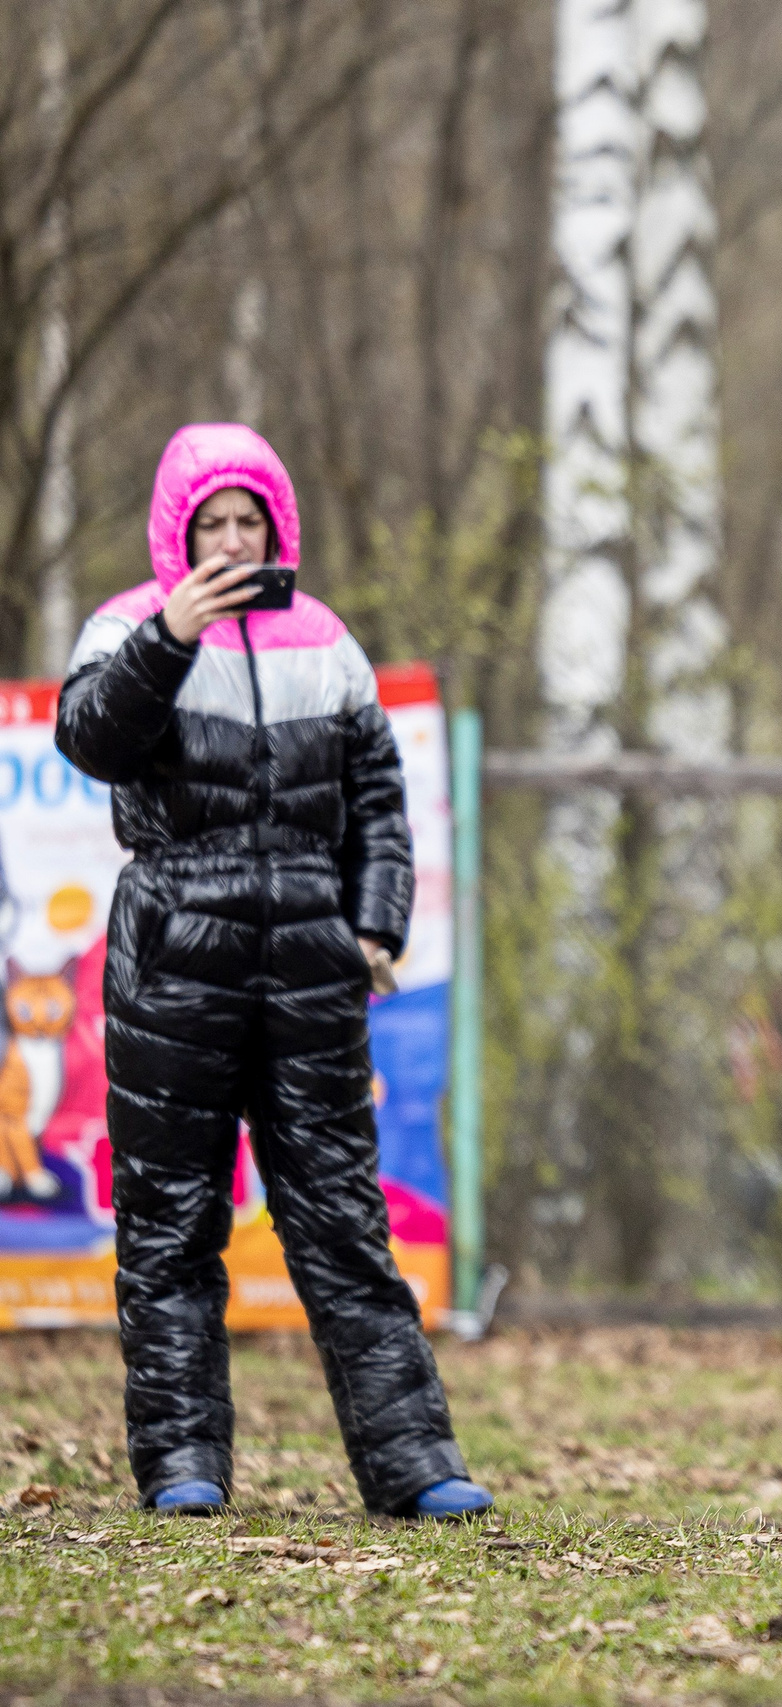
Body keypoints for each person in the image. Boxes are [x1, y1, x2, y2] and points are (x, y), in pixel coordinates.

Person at [55, 423, 492, 1520]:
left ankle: (415, 1466)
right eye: (214, 525)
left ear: (278, 525)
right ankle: (183, 1469)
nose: (235, 541)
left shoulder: (327, 642)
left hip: (309, 965)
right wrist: (169, 635)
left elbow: (380, 801)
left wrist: (377, 927)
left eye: (251, 521)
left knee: (342, 1220)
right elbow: (91, 742)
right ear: (179, 531)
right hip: (172, 962)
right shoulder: (125, 627)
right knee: (169, 1221)